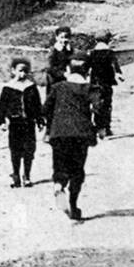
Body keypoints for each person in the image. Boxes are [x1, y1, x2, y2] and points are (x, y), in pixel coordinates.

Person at [43, 55, 99, 221]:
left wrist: (50, 125)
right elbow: (99, 109)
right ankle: (73, 206)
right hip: (81, 134)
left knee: (60, 165)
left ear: (67, 70)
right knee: (77, 170)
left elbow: (45, 109)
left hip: (59, 133)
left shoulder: (58, 87)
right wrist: (99, 127)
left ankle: (59, 186)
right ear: (88, 71)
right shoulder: (90, 88)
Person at [0, 57, 44, 188]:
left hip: (29, 122)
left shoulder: (31, 87)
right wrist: (2, 121)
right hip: (15, 122)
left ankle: (27, 176)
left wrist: (40, 120)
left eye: (25, 71)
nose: (22, 74)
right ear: (13, 71)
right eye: (20, 71)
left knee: (29, 149)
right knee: (15, 150)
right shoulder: (8, 88)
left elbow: (37, 105)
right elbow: (2, 107)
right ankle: (16, 175)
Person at [88, 30, 123, 139]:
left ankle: (99, 126)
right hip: (107, 83)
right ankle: (106, 127)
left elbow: (87, 67)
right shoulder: (110, 53)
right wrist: (119, 74)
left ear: (95, 41)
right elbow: (115, 66)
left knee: (96, 105)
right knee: (107, 105)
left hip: (95, 83)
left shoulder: (92, 53)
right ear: (108, 41)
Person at [45, 26, 73, 90]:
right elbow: (50, 68)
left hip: (69, 79)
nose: (64, 40)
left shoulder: (71, 50)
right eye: (62, 37)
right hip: (55, 80)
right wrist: (63, 73)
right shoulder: (53, 51)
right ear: (57, 38)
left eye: (67, 37)